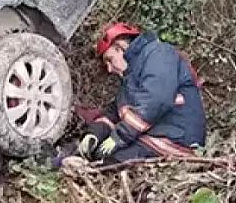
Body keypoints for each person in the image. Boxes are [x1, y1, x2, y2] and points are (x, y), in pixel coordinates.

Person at [66, 23, 206, 165]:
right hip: (157, 137)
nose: (109, 69)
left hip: (175, 139)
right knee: (100, 158)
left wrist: (119, 137)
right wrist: (94, 134)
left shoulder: (159, 54)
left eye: (109, 59)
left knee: (111, 164)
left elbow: (155, 101)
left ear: (120, 48)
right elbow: (114, 112)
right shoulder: (131, 79)